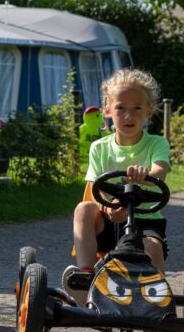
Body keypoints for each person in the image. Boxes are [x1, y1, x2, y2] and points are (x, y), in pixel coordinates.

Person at [67, 68, 171, 293]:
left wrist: (146, 175)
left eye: (136, 108)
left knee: (152, 246)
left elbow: (160, 171)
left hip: (145, 220)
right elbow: (95, 189)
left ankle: (157, 294)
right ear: (107, 110)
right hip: (109, 221)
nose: (128, 116)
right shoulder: (99, 148)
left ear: (149, 111)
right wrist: (108, 208)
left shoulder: (157, 144)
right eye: (121, 108)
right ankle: (85, 274)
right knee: (83, 209)